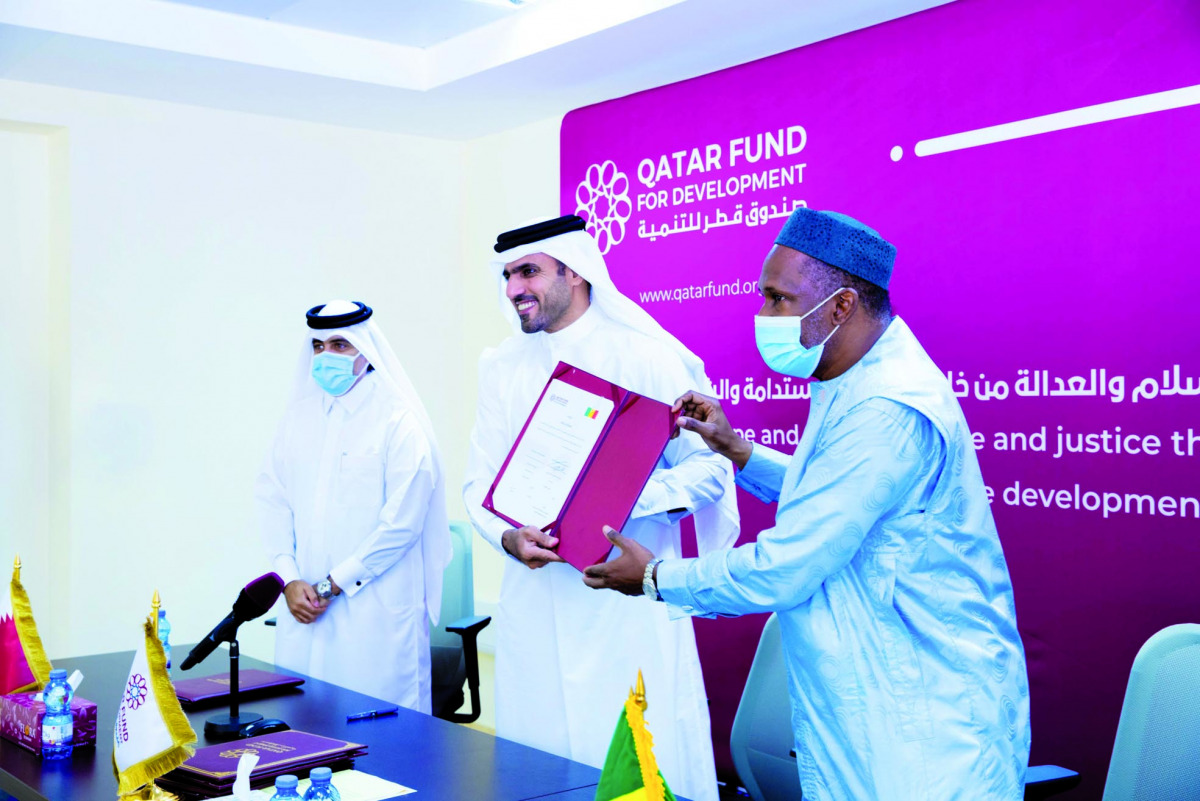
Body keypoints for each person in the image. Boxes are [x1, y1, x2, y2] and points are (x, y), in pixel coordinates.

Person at [584, 208, 1031, 801]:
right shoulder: (855, 378)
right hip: (877, 700)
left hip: (924, 724)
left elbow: (785, 566)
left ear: (841, 306)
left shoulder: (885, 406)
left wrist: (654, 577)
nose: (763, 316)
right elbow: (836, 494)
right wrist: (738, 450)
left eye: (777, 299)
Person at [462, 215, 740, 801]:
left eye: (529, 271)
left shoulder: (647, 357)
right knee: (540, 757)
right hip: (535, 600)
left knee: (631, 756)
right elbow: (477, 485)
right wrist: (506, 538)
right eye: (508, 275)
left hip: (624, 601)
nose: (514, 288)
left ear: (576, 272)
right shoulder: (502, 367)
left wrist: (627, 499)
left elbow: (712, 467)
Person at [256, 300, 451, 713]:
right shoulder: (298, 419)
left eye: (341, 345)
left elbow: (401, 525)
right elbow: (272, 501)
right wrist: (289, 580)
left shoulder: (399, 421)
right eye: (318, 346)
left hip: (373, 615)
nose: (327, 356)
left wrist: (330, 585)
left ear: (367, 350)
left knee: (381, 743)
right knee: (303, 730)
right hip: (302, 608)